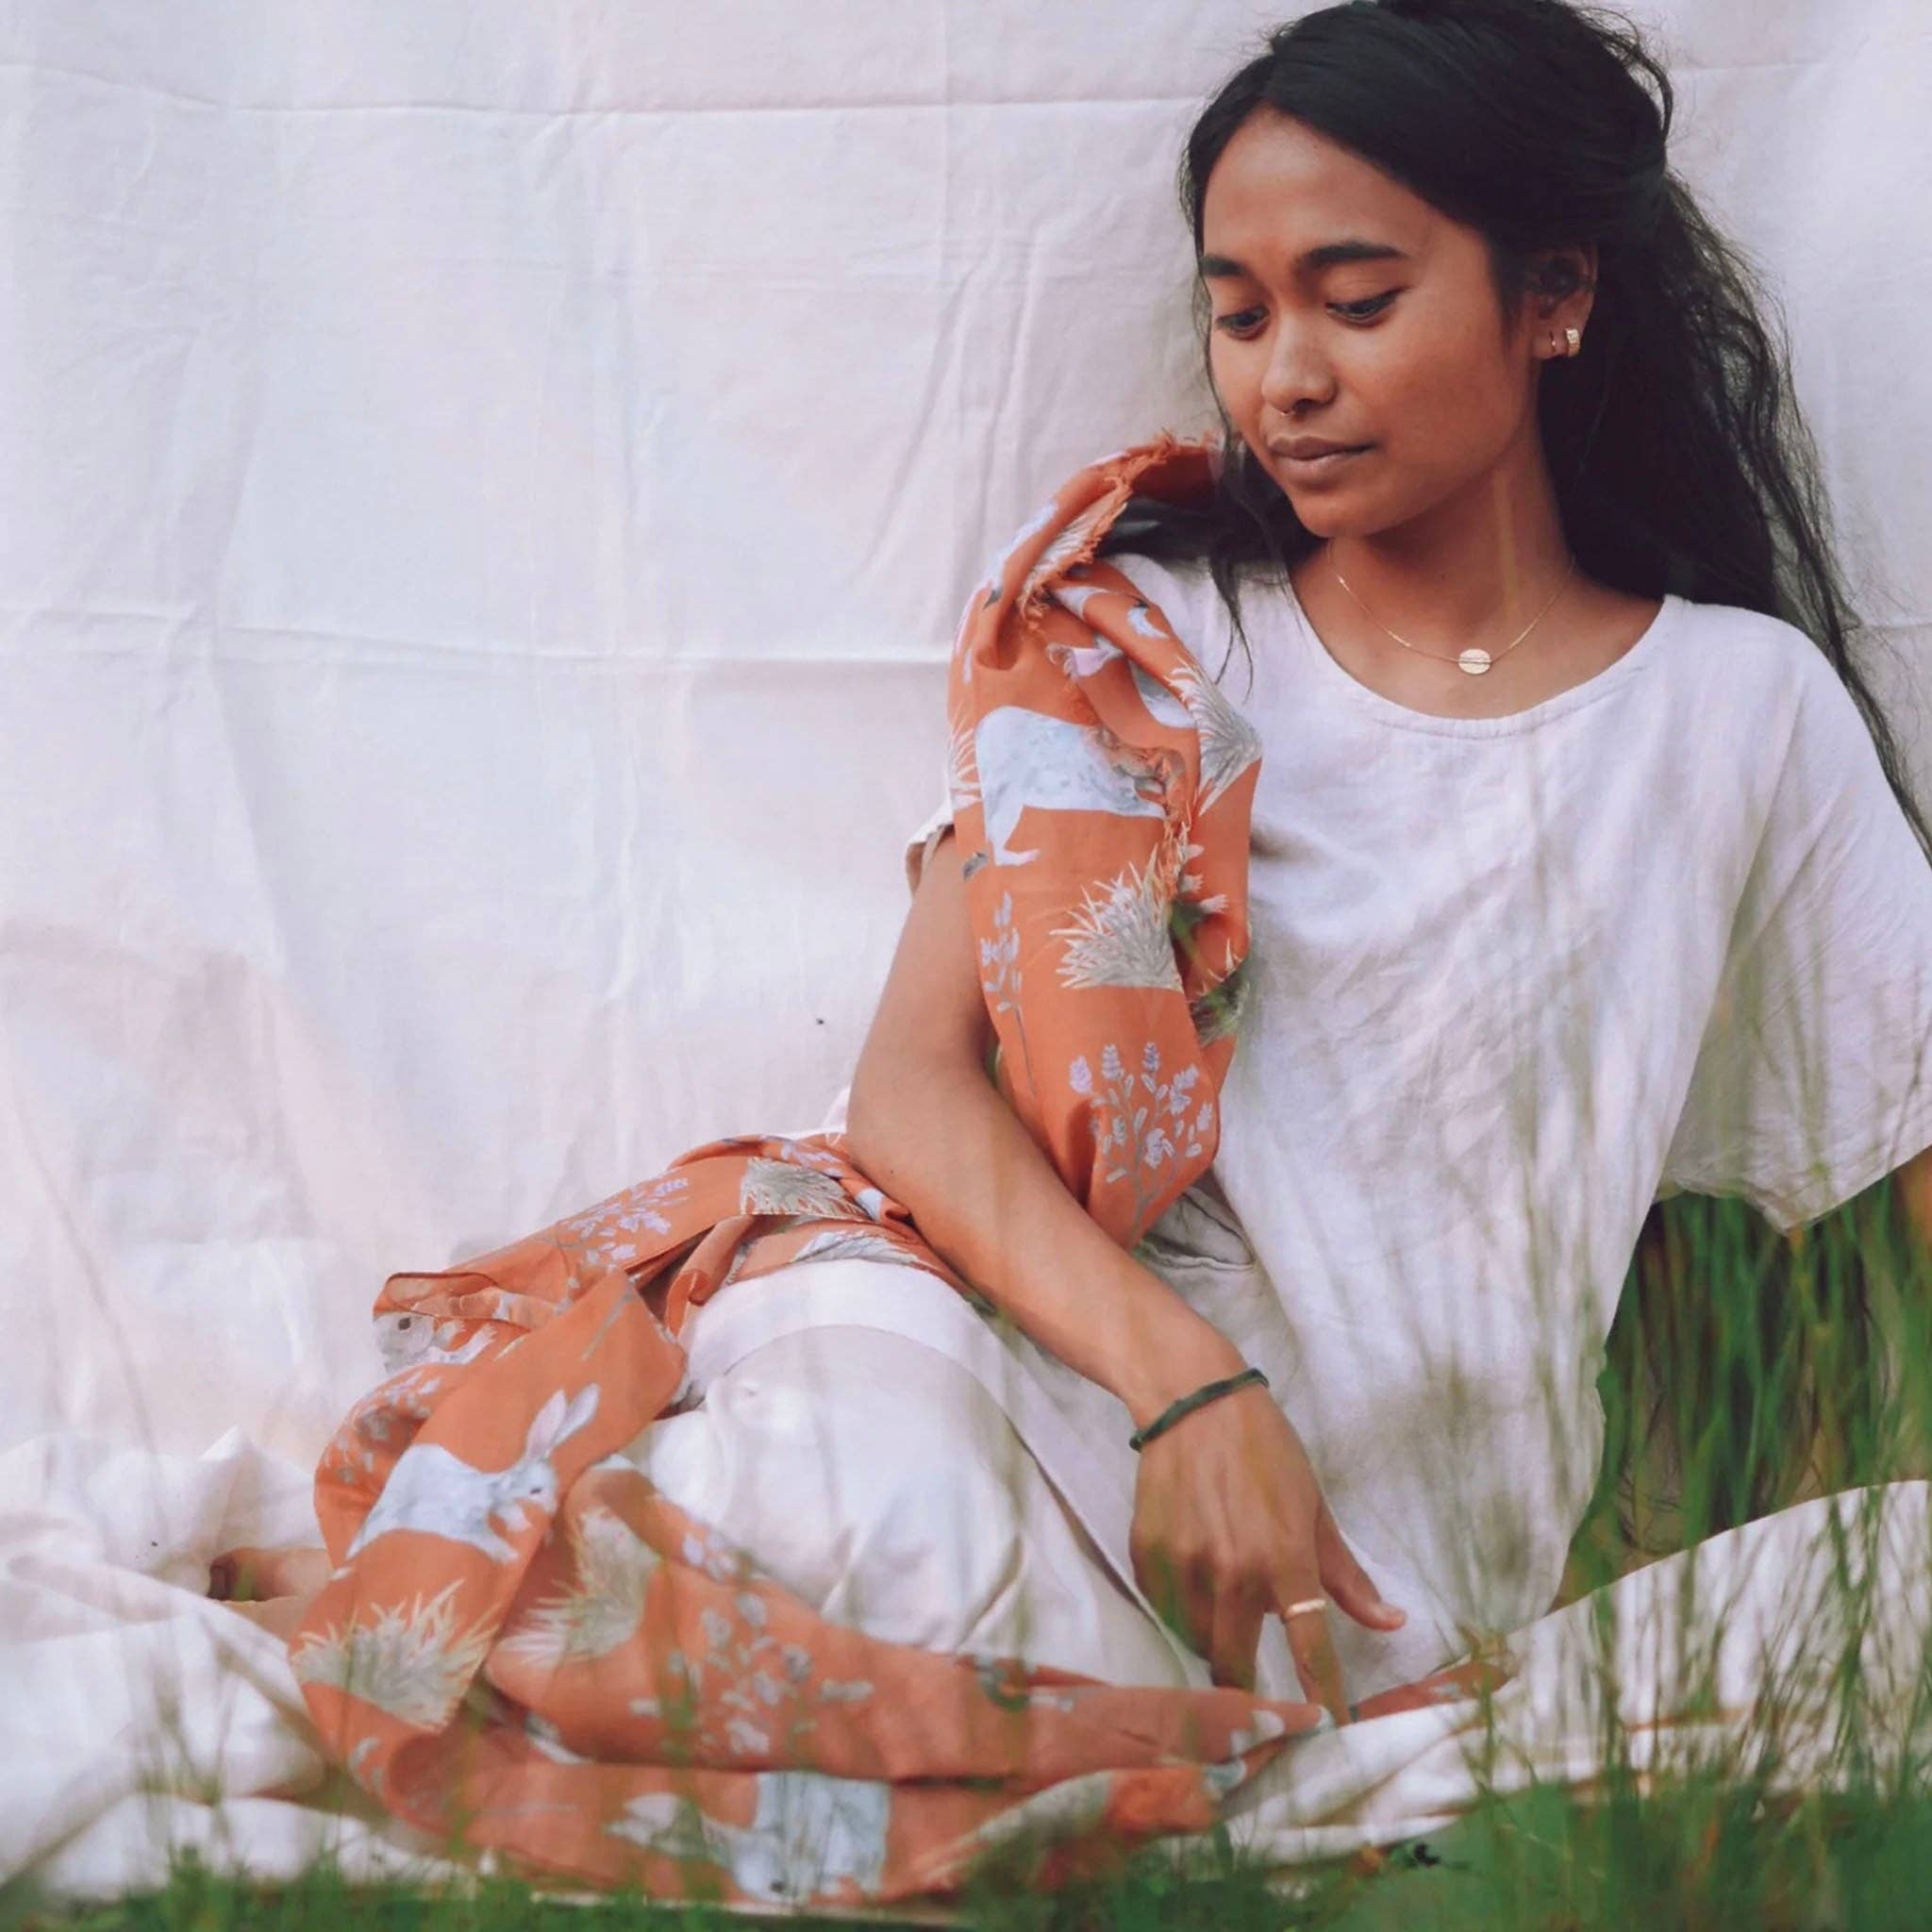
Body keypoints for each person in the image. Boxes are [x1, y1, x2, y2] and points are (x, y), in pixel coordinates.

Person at [220, 0, 1932, 1742]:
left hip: (1378, 1552)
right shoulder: (1150, 644)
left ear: (1555, 294)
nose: (1285, 378)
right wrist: (1189, 1389)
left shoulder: (1736, 709)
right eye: (1241, 314)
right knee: (892, 1529)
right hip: (1036, 1364)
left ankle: (490, 1609)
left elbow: (1894, 1156)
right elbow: (913, 1087)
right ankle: (445, 1599)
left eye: (1356, 302)